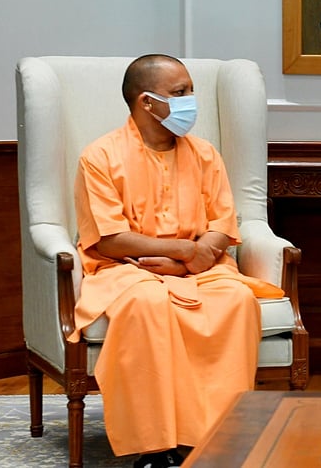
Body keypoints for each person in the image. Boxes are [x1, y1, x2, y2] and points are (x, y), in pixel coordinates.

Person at [71, 54, 284, 468]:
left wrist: (191, 261)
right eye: (180, 93)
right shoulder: (99, 157)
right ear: (147, 102)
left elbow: (223, 224)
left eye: (191, 91)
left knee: (236, 303)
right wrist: (184, 251)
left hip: (203, 269)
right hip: (128, 270)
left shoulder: (204, 154)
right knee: (146, 307)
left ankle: (216, 437)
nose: (191, 101)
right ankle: (154, 446)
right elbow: (111, 240)